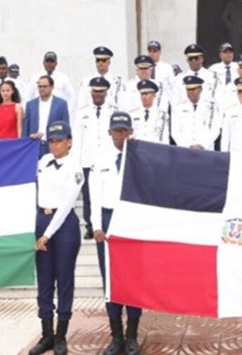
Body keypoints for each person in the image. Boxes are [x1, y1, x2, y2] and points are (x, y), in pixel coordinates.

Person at [90, 111, 142, 355]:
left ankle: (132, 335)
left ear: (130, 132)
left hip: (131, 220)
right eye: (115, 131)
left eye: (124, 131)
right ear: (109, 132)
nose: (119, 135)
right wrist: (97, 225)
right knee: (110, 280)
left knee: (133, 279)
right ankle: (116, 337)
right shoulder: (100, 158)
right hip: (108, 220)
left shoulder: (140, 157)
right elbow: (94, 194)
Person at [30, 121, 82, 355]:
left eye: (59, 140)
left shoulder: (75, 166)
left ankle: (61, 336)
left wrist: (47, 235)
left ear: (69, 141)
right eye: (51, 140)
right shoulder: (42, 162)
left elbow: (66, 204)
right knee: (44, 281)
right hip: (42, 219)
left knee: (64, 280)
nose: (55, 145)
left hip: (64, 226)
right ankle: (47, 334)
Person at [71, 77, 114, 239]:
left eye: (100, 92)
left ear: (106, 93)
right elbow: (77, 138)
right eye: (95, 91)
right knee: (89, 195)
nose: (97, 95)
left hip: (106, 158)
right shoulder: (83, 113)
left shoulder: (112, 110)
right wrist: (76, 162)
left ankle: (105, 223)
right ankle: (90, 226)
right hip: (87, 159)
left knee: (106, 192)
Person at [22, 75, 70, 156]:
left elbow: (65, 127)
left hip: (53, 146)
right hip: (33, 146)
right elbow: (25, 127)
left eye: (45, 86)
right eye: (40, 86)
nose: (42, 89)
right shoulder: (30, 104)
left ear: (52, 87)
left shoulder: (61, 104)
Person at [171, 75, 221, 149]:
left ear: (200, 89)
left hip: (206, 149)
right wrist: (186, 146)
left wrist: (202, 145)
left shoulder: (211, 107)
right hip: (185, 150)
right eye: (188, 89)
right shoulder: (178, 107)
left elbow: (215, 129)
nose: (191, 92)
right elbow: (175, 131)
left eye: (193, 89)